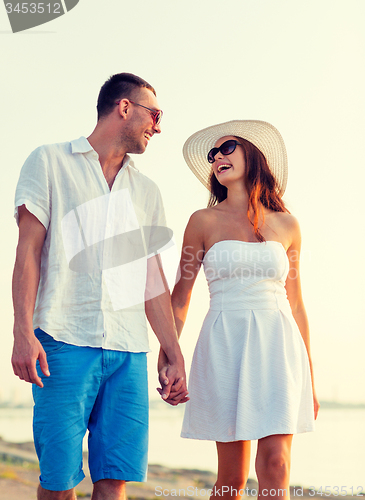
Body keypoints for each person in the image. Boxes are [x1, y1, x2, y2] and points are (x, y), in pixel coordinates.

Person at [11, 72, 187, 500]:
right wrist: (22, 331)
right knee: (58, 482)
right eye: (155, 114)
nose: (158, 127)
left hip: (128, 350)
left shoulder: (147, 190)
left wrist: (173, 350)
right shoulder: (49, 161)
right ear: (124, 107)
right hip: (63, 341)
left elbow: (152, 279)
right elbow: (28, 251)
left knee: (114, 483)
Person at [161, 120, 320, 499]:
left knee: (276, 464)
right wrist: (169, 355)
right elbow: (181, 295)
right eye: (212, 154)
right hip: (224, 342)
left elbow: (296, 302)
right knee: (230, 479)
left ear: (254, 154)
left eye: (226, 148)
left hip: (279, 346)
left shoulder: (288, 224)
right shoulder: (202, 221)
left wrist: (310, 377)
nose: (217, 157)